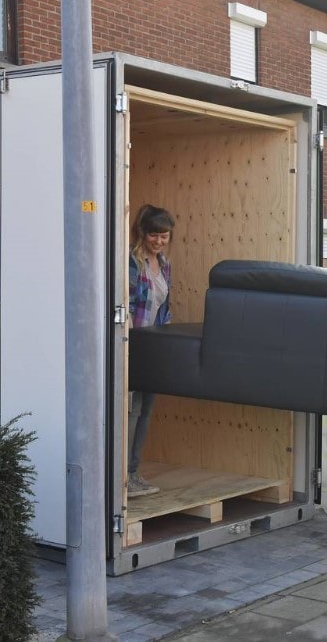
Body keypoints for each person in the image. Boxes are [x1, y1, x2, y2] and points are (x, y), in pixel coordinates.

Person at [126, 204, 175, 497]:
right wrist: (131, 343)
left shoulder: (165, 265)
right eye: (154, 235)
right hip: (133, 344)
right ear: (143, 233)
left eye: (164, 236)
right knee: (131, 411)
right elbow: (126, 304)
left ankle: (134, 472)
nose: (158, 240)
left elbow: (164, 309)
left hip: (153, 346)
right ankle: (123, 477)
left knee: (146, 410)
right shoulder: (132, 262)